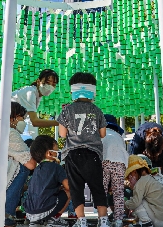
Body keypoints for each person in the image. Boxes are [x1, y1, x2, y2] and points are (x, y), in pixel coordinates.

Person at [57, 72, 109, 227]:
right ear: (92, 90)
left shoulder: (67, 110)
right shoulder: (96, 110)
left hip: (72, 154)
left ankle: (81, 220)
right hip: (92, 154)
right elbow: (103, 133)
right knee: (97, 187)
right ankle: (104, 220)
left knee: (76, 188)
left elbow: (62, 134)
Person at [0, 69, 60, 135]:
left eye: (54, 84)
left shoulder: (37, 96)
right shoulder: (30, 93)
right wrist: (59, 123)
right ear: (38, 81)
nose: (50, 87)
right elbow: (35, 121)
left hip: (1, 122)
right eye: (47, 82)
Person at [24, 135, 71, 227]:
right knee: (70, 192)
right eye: (56, 151)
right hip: (45, 210)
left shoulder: (37, 169)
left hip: (29, 212)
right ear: (49, 154)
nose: (58, 153)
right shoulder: (56, 167)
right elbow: (69, 186)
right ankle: (54, 219)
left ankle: (35, 222)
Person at [124, 155, 163, 227]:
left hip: (158, 220)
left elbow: (135, 202)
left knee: (137, 202)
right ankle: (144, 222)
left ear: (135, 172)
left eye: (130, 174)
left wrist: (125, 204)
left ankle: (146, 223)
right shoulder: (151, 178)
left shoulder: (141, 181)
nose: (130, 177)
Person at [102, 114, 129, 227]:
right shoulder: (118, 136)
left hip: (104, 162)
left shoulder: (101, 134)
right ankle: (118, 220)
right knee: (118, 193)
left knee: (101, 192)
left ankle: (102, 218)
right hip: (120, 163)